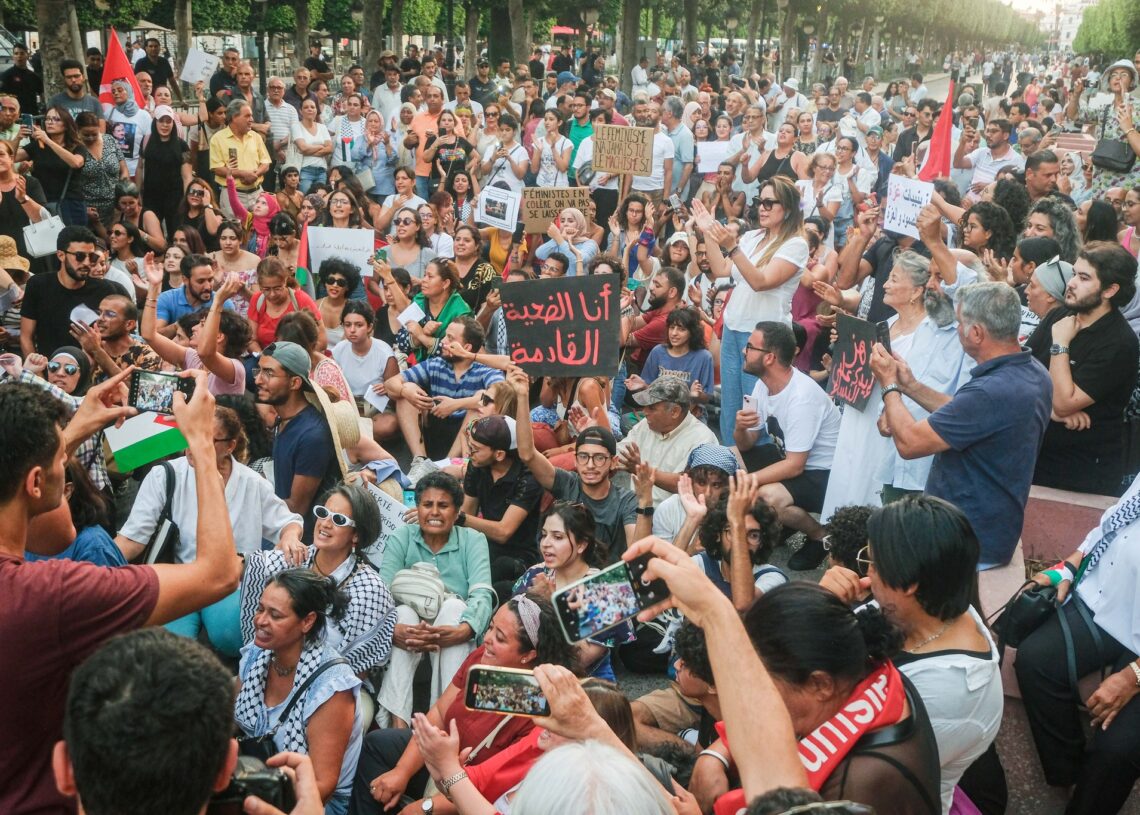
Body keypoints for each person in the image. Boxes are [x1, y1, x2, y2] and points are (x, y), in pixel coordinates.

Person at [0, 368, 244, 815]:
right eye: (62, 461)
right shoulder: (48, 597)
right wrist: (202, 446)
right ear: (35, 482)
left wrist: (69, 432)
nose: (67, 469)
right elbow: (218, 573)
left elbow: (31, 497)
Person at [822, 496, 1003, 814]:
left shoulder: (952, 691)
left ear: (909, 583)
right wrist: (823, 605)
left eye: (872, 562)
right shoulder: (926, 610)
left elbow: (848, 765)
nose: (868, 574)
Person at [871, 282, 1052, 569]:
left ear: (977, 333)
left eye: (960, 323)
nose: (957, 330)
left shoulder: (993, 390)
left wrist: (889, 384)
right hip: (985, 529)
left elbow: (910, 443)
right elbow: (965, 415)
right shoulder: (1032, 371)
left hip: (965, 540)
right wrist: (911, 386)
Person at [353, 593, 577, 815]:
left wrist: (426, 807)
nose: (487, 639)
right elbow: (440, 712)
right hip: (445, 760)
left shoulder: (534, 706)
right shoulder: (483, 658)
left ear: (528, 655)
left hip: (472, 790)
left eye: (500, 637)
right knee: (378, 746)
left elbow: (492, 787)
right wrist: (401, 772)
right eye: (490, 628)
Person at [115, 404, 302, 656]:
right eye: (191, 435)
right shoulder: (165, 475)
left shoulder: (252, 483)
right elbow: (133, 539)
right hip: (181, 579)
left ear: (230, 446)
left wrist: (290, 536)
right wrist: (96, 568)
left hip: (233, 585)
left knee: (235, 636)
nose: (193, 446)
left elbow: (287, 521)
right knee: (165, 651)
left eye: (206, 439)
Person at [1016, 473, 1140, 814]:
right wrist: (1065, 568)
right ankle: (1072, 776)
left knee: (1118, 749)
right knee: (1034, 662)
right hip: (1108, 603)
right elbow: (1111, 527)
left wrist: (1133, 677)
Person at [373, 471, 496, 727]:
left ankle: (444, 721)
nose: (435, 512)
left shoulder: (473, 540)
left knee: (454, 607)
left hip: (451, 625)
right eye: (427, 505)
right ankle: (399, 725)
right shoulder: (402, 537)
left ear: (456, 511)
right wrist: (392, 629)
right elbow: (381, 593)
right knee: (403, 613)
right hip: (412, 626)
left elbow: (482, 592)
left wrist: (465, 629)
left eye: (443, 505)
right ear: (417, 508)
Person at [236, 569, 363, 813]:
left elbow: (322, 786)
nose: (261, 620)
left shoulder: (331, 686)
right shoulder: (257, 653)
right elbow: (229, 720)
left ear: (307, 621)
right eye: (261, 609)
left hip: (314, 802)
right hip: (259, 777)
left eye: (275, 615)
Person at [241, 481, 396, 681]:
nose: (325, 523)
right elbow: (249, 565)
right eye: (323, 513)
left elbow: (358, 667)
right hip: (272, 671)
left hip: (333, 685)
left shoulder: (371, 589)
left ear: (356, 535)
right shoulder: (295, 558)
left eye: (339, 520)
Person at [694, 177, 808, 444]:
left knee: (756, 413)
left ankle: (757, 474)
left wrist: (732, 246)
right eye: (759, 202)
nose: (762, 208)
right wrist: (708, 233)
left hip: (764, 340)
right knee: (731, 411)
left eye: (770, 202)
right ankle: (730, 469)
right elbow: (721, 269)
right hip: (734, 329)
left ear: (788, 208)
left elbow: (761, 282)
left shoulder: (796, 244)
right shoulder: (753, 236)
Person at [1026, 241, 1139, 496]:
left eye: (1084, 277)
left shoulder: (1120, 342)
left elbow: (1066, 402)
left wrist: (1061, 344)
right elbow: (1020, 372)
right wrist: (1053, 411)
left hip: (1079, 476)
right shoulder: (1059, 316)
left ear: (1110, 290)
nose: (1072, 283)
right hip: (1033, 455)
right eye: (1075, 273)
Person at [733, 321, 840, 569]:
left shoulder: (801, 397)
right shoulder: (763, 384)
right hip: (791, 461)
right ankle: (784, 523)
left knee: (765, 496)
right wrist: (740, 427)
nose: (743, 351)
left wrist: (750, 480)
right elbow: (746, 444)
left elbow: (794, 467)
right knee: (726, 458)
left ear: (769, 357)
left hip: (824, 474)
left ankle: (820, 536)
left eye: (750, 346)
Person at [255, 340, 343, 537]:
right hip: (279, 524)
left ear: (295, 382)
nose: (258, 380)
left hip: (302, 540)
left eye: (268, 373)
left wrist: (246, 501)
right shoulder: (283, 420)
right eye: (258, 371)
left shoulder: (312, 436)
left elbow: (296, 508)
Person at [460, 414, 544, 593]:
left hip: (519, 555)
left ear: (499, 454)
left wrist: (458, 517)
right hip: (485, 544)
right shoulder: (476, 466)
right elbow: (467, 514)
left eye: (475, 449)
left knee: (500, 570)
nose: (469, 453)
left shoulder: (528, 477)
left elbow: (504, 531)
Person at [20, 226, 129, 357]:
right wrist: (38, 375)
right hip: (50, 370)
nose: (87, 262)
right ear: (61, 255)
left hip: (94, 371)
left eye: (92, 257)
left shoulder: (106, 290)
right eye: (80, 256)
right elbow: (26, 337)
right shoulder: (38, 285)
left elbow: (120, 339)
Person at [617, 377, 717, 506]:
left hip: (674, 520)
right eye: (645, 406)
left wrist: (642, 470)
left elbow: (688, 483)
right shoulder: (646, 425)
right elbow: (620, 453)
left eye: (652, 408)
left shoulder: (703, 439)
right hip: (634, 510)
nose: (645, 412)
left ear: (675, 411)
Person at [17, 106, 87, 226]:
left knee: (73, 241)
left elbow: (76, 163)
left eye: (56, 119)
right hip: (43, 202)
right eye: (48, 119)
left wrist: (48, 141)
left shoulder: (77, 146)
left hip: (70, 203)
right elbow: (12, 157)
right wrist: (17, 138)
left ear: (66, 124)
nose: (50, 122)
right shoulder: (37, 145)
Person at [210, 100, 272, 220]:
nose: (252, 119)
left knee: (259, 231)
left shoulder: (255, 136)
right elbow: (217, 168)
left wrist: (255, 175)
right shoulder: (217, 139)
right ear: (234, 117)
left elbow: (265, 163)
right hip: (232, 195)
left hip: (257, 194)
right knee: (234, 232)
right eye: (247, 116)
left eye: (251, 115)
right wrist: (242, 174)